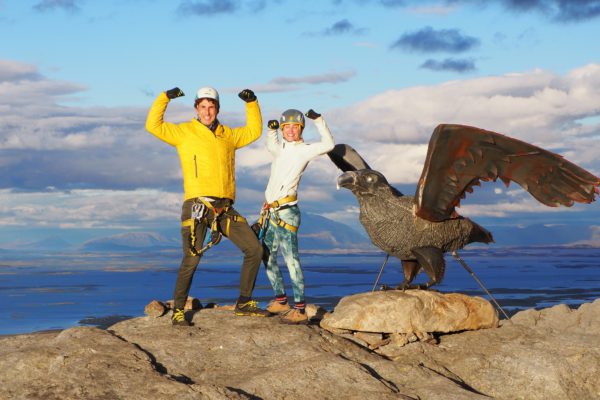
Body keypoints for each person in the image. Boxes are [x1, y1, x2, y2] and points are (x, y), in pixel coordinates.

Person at [145, 86, 270, 326]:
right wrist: (165, 98)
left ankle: (244, 302)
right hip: (197, 205)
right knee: (191, 259)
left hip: (224, 208)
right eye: (203, 106)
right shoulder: (183, 132)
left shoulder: (228, 135)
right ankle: (179, 310)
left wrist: (252, 103)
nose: (207, 111)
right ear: (196, 108)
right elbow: (153, 125)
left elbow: (254, 131)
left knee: (254, 250)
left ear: (217, 109)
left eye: (211, 107)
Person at [259, 109, 335, 324]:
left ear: (301, 128)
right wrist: (271, 130)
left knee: (291, 259)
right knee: (267, 255)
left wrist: (319, 120)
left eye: (295, 126)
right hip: (272, 211)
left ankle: (300, 308)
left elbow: (329, 145)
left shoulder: (305, 150)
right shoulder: (279, 148)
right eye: (287, 127)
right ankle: (281, 299)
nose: (291, 130)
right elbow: (271, 145)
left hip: (287, 212)